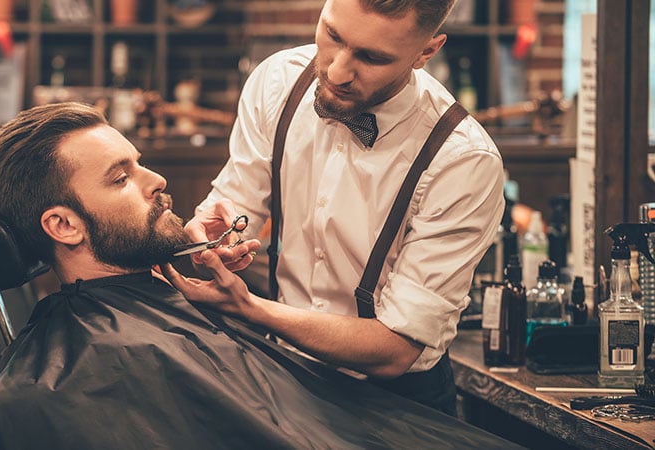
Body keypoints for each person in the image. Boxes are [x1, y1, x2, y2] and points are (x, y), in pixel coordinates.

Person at [0, 102, 518, 449]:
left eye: (139, 161)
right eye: (120, 179)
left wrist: (241, 303)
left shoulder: (166, 308)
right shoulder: (52, 390)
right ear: (62, 225)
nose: (155, 180)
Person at [172, 0, 506, 415]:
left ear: (427, 52)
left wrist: (250, 309)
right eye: (332, 35)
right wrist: (219, 233)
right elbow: (238, 198)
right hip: (283, 376)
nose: (335, 72)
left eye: (371, 57)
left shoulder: (462, 160)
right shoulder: (278, 82)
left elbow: (395, 348)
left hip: (396, 406)